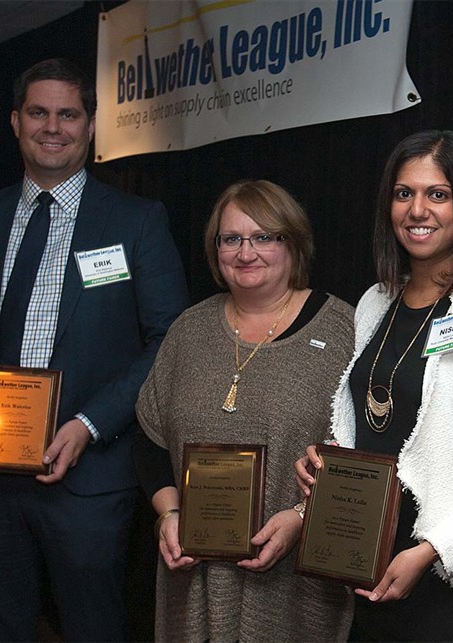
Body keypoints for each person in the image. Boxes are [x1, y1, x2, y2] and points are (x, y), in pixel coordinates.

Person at [0, 58, 189, 641]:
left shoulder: (136, 223)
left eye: (69, 114)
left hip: (86, 479)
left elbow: (171, 340)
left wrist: (90, 423)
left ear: (90, 126)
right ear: (15, 121)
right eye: (39, 112)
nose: (52, 126)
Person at [295, 130, 453, 642]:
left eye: (438, 194)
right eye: (404, 193)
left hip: (449, 587)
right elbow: (368, 427)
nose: (417, 210)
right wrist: (326, 465)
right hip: (366, 571)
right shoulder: (374, 303)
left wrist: (431, 550)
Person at [134, 179, 355, 641]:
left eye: (264, 237)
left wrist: (300, 516)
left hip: (297, 583)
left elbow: (364, 456)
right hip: (191, 578)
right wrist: (169, 514)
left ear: (293, 242)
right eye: (231, 239)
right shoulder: (188, 331)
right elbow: (150, 438)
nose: (245, 252)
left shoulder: (344, 331)